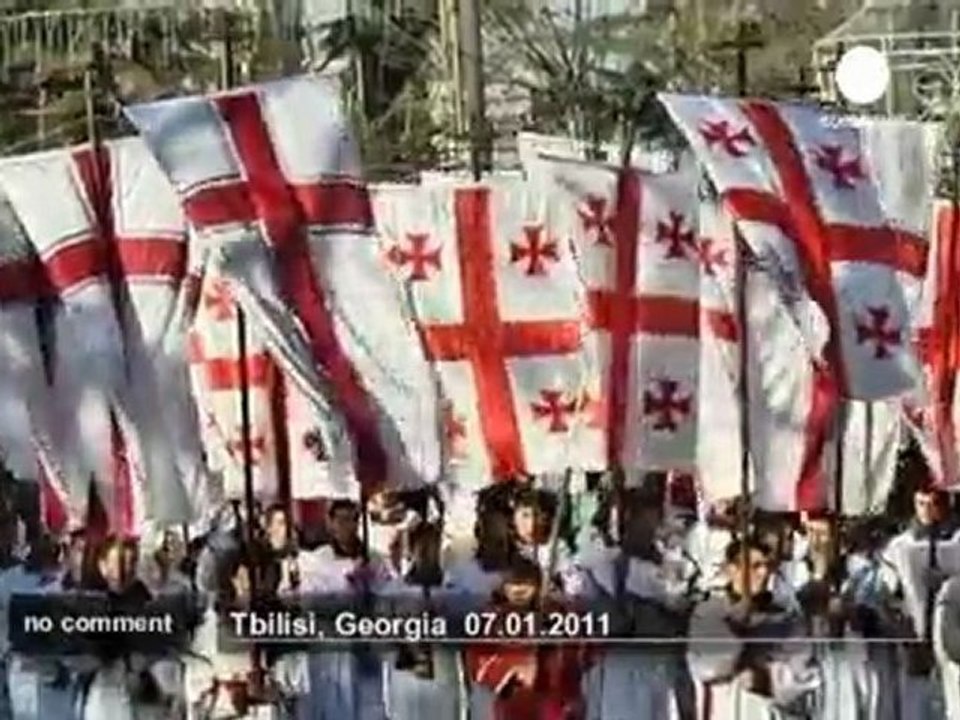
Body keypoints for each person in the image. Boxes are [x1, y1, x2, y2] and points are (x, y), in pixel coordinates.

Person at [581, 490, 694, 720]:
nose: (646, 527)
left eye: (652, 520)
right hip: (617, 674)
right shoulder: (603, 567)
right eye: (638, 519)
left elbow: (681, 611)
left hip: (661, 670)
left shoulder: (675, 564)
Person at [280, 499, 391, 720]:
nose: (346, 526)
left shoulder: (374, 559)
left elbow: (387, 594)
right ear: (330, 523)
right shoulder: (317, 560)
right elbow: (301, 598)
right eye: (340, 520)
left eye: (351, 520)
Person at [687, 538, 820, 719]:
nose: (763, 573)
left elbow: (805, 674)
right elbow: (705, 666)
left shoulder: (786, 618)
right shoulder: (709, 612)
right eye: (755, 566)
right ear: (732, 570)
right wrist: (738, 628)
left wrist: (768, 678)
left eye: (766, 566)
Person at [465, 558, 592, 720]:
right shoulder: (492, 619)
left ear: (537, 586)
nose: (519, 590)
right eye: (512, 584)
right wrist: (515, 669)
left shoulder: (559, 614)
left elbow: (583, 652)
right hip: (514, 703)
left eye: (525, 584)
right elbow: (477, 662)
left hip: (557, 703)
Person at [379, 520, 461, 720]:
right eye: (421, 546)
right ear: (411, 550)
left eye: (432, 546)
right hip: (406, 681)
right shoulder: (393, 591)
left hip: (443, 679)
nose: (427, 552)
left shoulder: (454, 590)